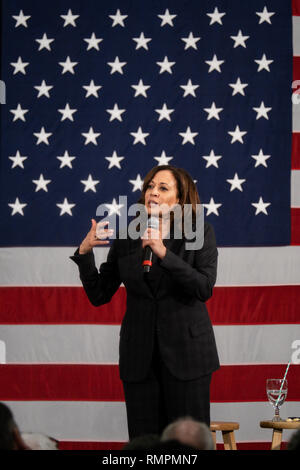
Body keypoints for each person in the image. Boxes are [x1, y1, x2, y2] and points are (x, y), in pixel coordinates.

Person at [70, 165, 219, 440]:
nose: (153, 192)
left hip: (187, 357)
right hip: (139, 359)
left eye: (163, 188)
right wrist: (85, 252)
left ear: (181, 198)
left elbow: (203, 287)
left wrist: (163, 253)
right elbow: (99, 294)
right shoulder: (128, 236)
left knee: (188, 445)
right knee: (145, 443)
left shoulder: (200, 232)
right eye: (150, 186)